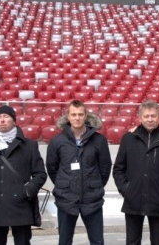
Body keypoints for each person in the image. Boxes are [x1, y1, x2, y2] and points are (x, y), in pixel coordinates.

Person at [0, 105, 47, 245]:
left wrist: (27, 190)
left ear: (14, 121)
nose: (2, 120)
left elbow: (40, 174)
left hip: (21, 205)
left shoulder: (29, 145)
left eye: (6, 117)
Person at [46, 100, 112, 245]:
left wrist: (94, 185)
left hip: (92, 199)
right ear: (68, 117)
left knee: (97, 241)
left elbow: (105, 167)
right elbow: (52, 168)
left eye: (80, 114)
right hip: (66, 200)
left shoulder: (99, 140)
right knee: (64, 241)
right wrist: (64, 184)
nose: (77, 118)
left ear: (86, 116)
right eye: (74, 114)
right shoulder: (57, 141)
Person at [113, 100, 159, 245]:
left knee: (158, 241)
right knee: (132, 241)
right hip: (133, 200)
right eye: (146, 116)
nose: (150, 119)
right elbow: (118, 169)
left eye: (153, 116)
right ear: (140, 117)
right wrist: (126, 190)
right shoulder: (128, 139)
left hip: (158, 201)